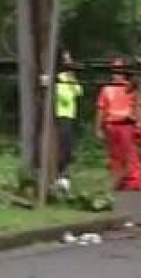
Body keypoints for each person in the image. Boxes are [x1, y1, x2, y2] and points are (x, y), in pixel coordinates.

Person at [95, 56, 141, 191]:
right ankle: (118, 182)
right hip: (111, 125)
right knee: (115, 156)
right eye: (115, 69)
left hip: (127, 124)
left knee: (130, 155)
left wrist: (139, 124)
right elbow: (101, 109)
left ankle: (133, 182)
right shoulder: (106, 89)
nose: (117, 72)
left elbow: (138, 106)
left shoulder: (131, 87)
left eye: (120, 69)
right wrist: (98, 128)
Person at [54, 50, 82, 194]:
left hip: (71, 115)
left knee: (69, 147)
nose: (69, 62)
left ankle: (64, 174)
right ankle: (60, 175)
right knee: (62, 146)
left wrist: (72, 80)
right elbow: (64, 97)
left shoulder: (70, 77)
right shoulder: (58, 78)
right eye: (66, 60)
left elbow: (78, 92)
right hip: (61, 114)